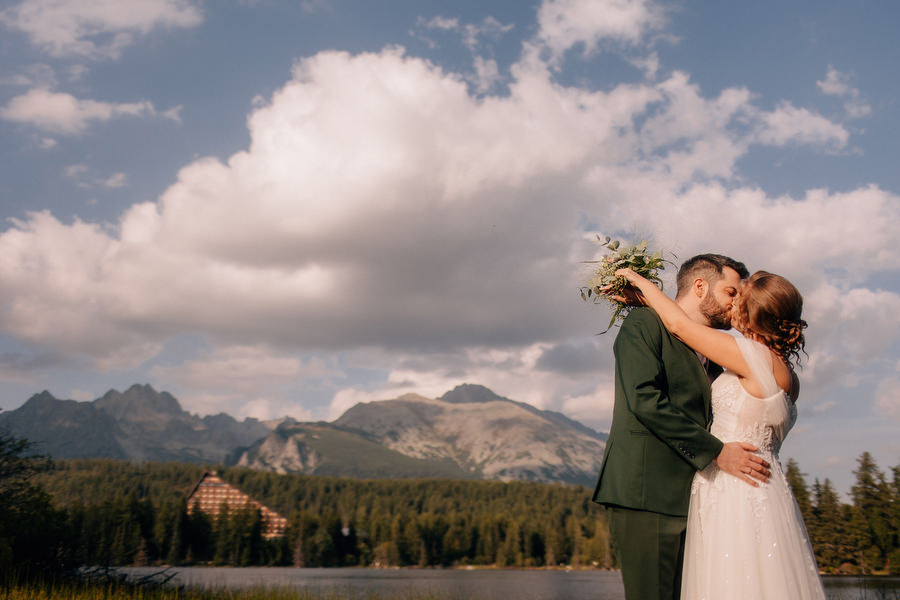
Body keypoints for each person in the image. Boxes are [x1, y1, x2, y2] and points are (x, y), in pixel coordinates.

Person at [614, 266, 825, 599]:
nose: (733, 303)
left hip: (733, 490)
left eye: (738, 297)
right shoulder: (788, 377)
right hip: (766, 490)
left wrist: (641, 286)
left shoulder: (748, 356)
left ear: (751, 313)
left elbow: (678, 324)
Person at [592, 254, 771, 600]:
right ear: (700, 287)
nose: (737, 304)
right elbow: (645, 400)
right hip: (650, 494)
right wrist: (717, 453)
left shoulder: (716, 351)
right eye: (732, 292)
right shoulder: (644, 324)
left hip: (701, 497)